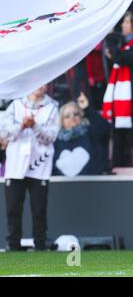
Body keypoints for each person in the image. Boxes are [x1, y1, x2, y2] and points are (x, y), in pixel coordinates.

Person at [2, 85, 59, 251]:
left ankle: (40, 245)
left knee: (39, 209)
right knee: (13, 208)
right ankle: (13, 245)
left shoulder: (52, 107)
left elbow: (51, 137)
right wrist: (21, 125)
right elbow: (4, 133)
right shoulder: (16, 105)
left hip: (39, 166)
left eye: (45, 83)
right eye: (37, 83)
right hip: (15, 166)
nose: (40, 86)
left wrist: (34, 126)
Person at [103, 11, 133, 174]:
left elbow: (121, 57)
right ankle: (115, 166)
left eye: (126, 22)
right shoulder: (123, 45)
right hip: (120, 101)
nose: (122, 25)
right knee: (118, 135)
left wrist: (110, 41)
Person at [53, 93, 110, 176]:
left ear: (81, 116)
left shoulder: (91, 133)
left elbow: (104, 128)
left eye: (76, 114)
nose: (72, 117)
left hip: (93, 184)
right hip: (64, 186)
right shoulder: (56, 140)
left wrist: (87, 109)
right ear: (62, 121)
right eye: (67, 116)